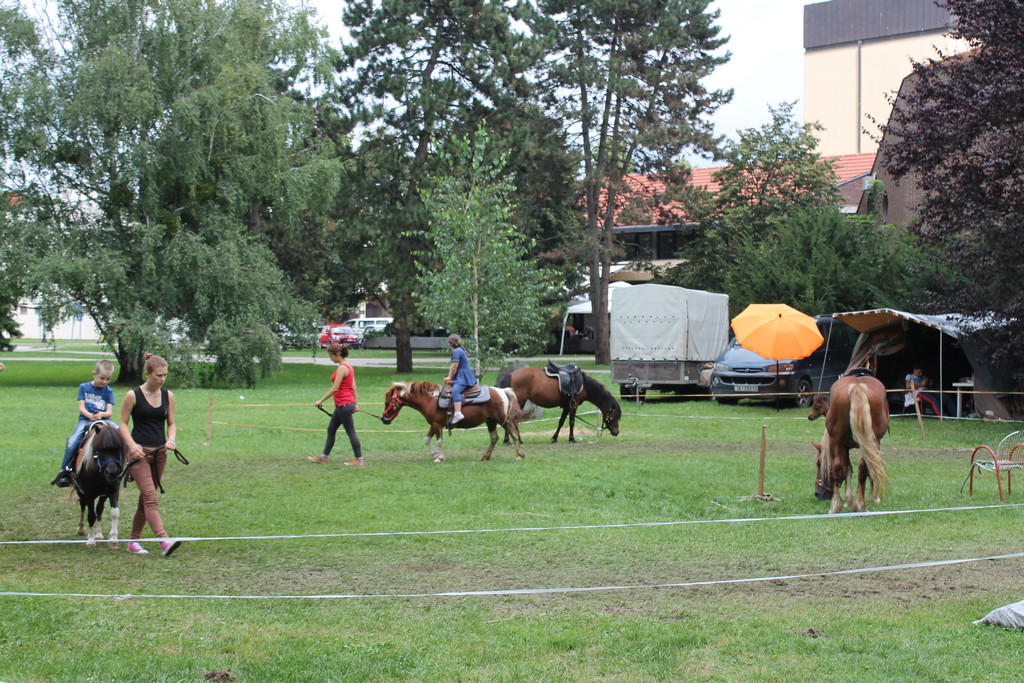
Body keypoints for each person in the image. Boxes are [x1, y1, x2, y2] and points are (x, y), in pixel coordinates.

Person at [118, 353, 181, 557]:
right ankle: (163, 540)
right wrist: (131, 445)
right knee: (150, 498)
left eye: (165, 375)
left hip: (160, 454)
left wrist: (171, 439)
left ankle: (133, 541)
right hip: (138, 454)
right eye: (159, 375)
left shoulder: (168, 396)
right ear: (147, 374)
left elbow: (171, 423)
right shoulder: (132, 395)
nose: (162, 379)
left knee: (145, 498)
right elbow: (122, 424)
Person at [51, 359, 118, 487]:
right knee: (72, 441)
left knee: (120, 433)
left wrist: (101, 415)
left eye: (108, 379)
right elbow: (81, 407)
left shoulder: (108, 391)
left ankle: (126, 465)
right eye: (102, 378)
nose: (105, 382)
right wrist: (90, 416)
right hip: (86, 419)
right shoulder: (84, 387)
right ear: (94, 374)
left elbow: (109, 412)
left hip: (104, 419)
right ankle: (65, 470)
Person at [309, 343, 363, 466]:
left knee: (350, 431)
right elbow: (353, 387)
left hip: (344, 404)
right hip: (344, 404)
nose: (330, 358)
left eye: (331, 356)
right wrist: (355, 403)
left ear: (337, 354)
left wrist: (320, 400)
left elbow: (335, 389)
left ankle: (359, 459)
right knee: (331, 429)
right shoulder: (349, 367)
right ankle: (324, 456)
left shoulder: (342, 368)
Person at [444, 333, 477, 425]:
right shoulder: (460, 350)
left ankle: (458, 413)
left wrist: (450, 377)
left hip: (462, 377)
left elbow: (454, 366)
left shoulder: (456, 352)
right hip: (461, 375)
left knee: (455, 391)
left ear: (450, 344)